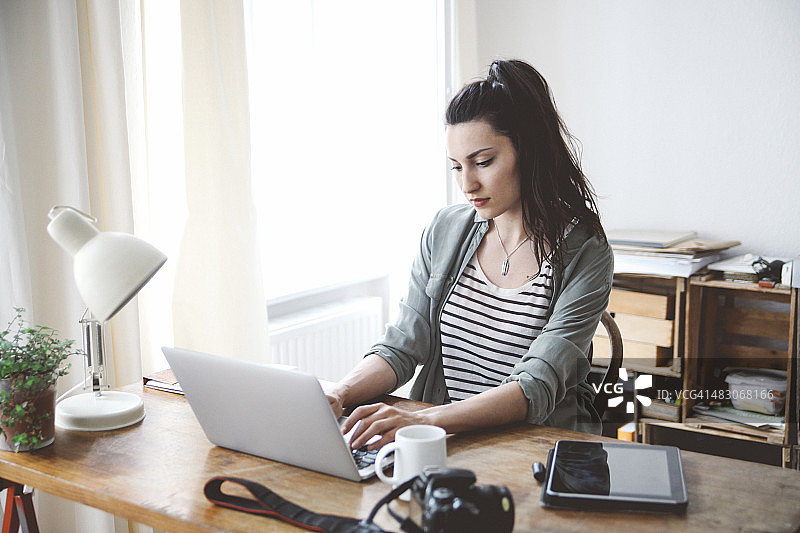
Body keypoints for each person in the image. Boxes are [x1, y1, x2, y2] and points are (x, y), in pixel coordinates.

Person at [326, 59, 613, 450]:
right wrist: (339, 394)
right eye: (456, 167)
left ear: (529, 152)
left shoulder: (586, 251)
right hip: (450, 442)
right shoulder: (445, 230)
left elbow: (535, 385)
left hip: (537, 450)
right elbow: (403, 345)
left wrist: (420, 420)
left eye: (483, 162)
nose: (467, 183)